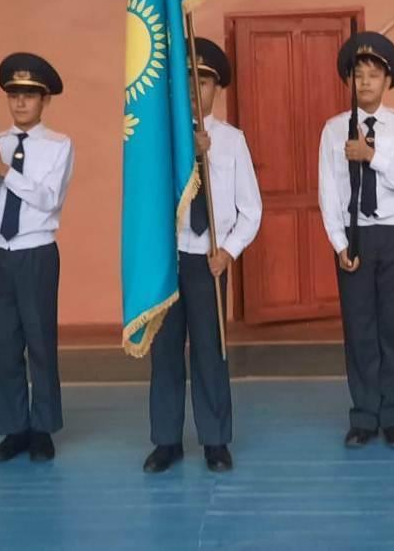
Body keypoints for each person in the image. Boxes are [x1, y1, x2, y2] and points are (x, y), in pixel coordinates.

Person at [144, 37, 262, 473]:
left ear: (218, 88)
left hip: (208, 260)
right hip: (169, 258)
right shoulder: (161, 141)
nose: (195, 90)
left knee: (210, 351)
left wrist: (228, 251)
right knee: (165, 351)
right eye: (188, 81)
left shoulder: (231, 141)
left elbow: (251, 209)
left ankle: (215, 439)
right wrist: (184, 156)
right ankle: (166, 441)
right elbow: (148, 201)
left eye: (205, 81)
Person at [318, 31, 394, 449]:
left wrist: (372, 156)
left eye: (373, 75)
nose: (365, 82)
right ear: (349, 80)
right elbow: (328, 191)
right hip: (356, 234)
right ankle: (364, 415)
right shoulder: (333, 130)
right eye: (358, 75)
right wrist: (339, 242)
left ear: (387, 81)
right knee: (359, 327)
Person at [0, 53, 74, 463]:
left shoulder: (59, 145)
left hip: (36, 252)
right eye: (13, 95)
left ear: (45, 99)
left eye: (29, 95)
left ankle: (43, 429)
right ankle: (14, 429)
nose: (20, 102)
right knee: (3, 345)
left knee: (40, 341)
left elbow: (48, 199)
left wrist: (5, 172)